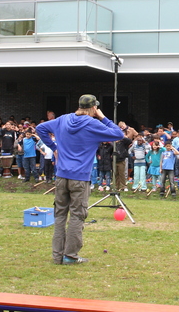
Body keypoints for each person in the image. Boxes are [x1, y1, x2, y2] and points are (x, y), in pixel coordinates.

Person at [36, 94, 123, 265]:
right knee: (77, 215)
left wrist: (54, 148)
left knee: (60, 215)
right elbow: (118, 133)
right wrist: (102, 117)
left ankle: (57, 255)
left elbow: (40, 129)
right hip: (80, 178)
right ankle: (70, 255)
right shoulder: (93, 124)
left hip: (61, 176)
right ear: (93, 108)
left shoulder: (62, 120)